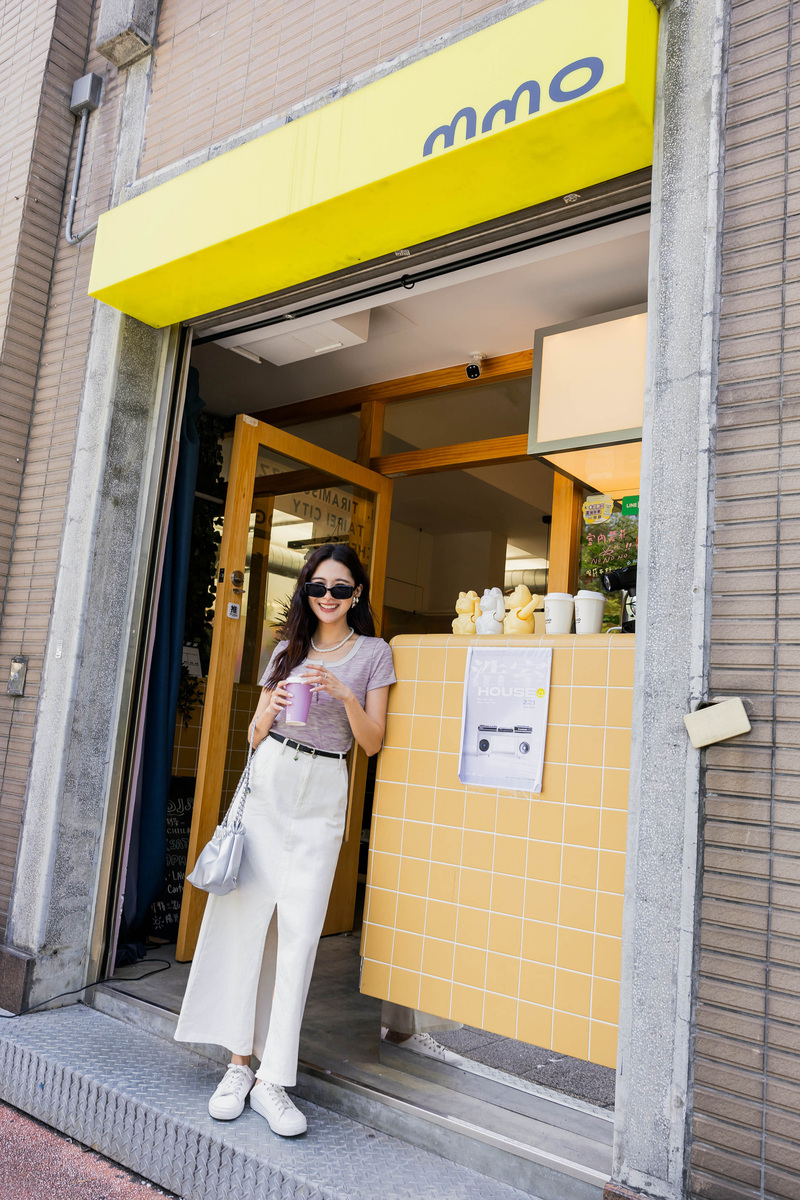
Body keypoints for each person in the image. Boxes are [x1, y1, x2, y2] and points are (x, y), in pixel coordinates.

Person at [174, 543, 395, 1136]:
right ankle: (237, 1066)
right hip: (271, 780)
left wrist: (344, 694)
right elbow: (253, 736)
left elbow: (373, 741)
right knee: (245, 921)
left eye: (340, 588)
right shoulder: (285, 649)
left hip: (323, 787)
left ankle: (274, 1079)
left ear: (356, 593)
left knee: (298, 933)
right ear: (306, 591)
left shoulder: (374, 653)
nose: (328, 597)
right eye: (318, 587)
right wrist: (269, 708)